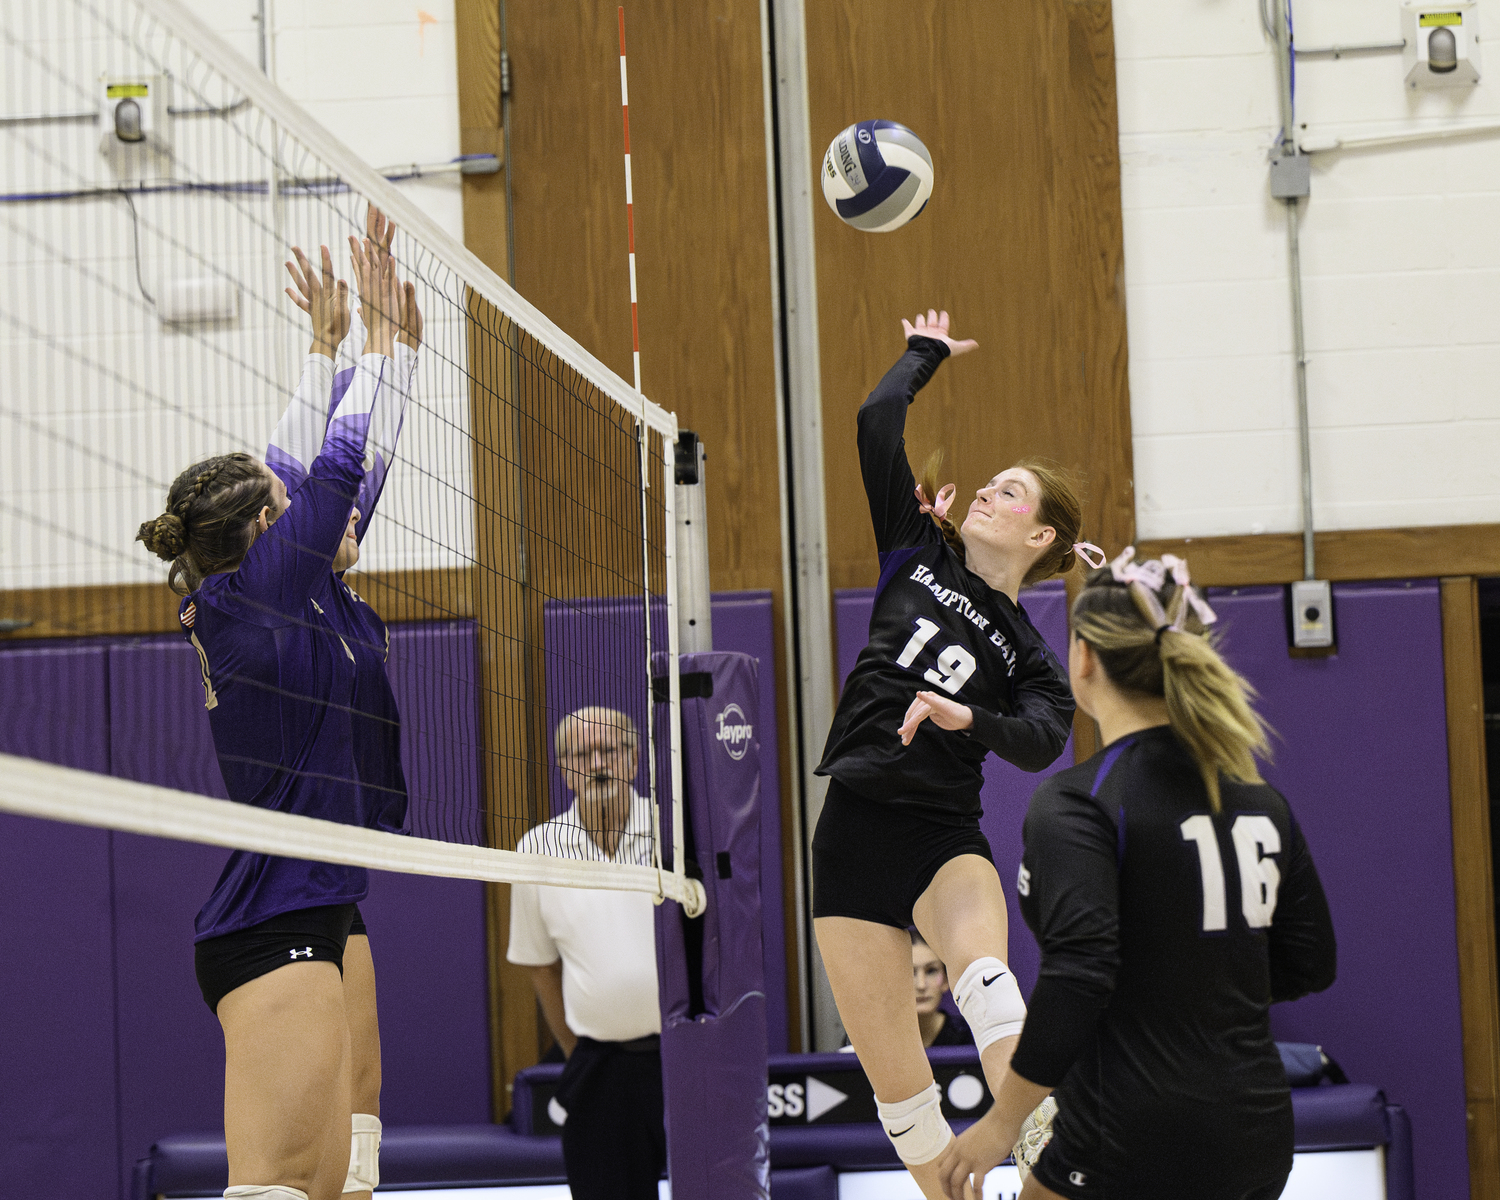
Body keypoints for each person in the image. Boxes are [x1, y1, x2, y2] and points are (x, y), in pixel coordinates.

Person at [135, 208, 421, 1200]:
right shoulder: (252, 600)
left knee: (345, 1185)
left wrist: (360, 348)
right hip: (273, 922)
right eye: (288, 508)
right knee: (281, 1191)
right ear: (270, 530)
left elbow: (334, 474)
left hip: (319, 903)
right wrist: (378, 344)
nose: (331, 519)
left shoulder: (296, 585)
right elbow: (334, 469)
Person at [941, 549, 1337, 1200]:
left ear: (1085, 659)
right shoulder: (1260, 801)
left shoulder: (1078, 802)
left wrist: (1000, 1123)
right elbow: (1310, 963)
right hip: (1255, 1130)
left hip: (1127, 1129)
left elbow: (1079, 973)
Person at [812, 310, 1094, 1200]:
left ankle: (1041, 1142)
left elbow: (1048, 737)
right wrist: (924, 352)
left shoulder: (1030, 655)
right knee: (906, 1107)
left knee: (987, 984)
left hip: (939, 833)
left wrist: (966, 718)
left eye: (1011, 494)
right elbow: (873, 422)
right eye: (989, 484)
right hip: (851, 831)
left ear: (1040, 537)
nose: (986, 494)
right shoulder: (914, 551)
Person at [508, 706, 666, 1200]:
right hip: (600, 1070)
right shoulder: (538, 847)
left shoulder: (678, 833)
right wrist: (581, 1047)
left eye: (609, 750)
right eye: (582, 754)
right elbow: (538, 964)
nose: (597, 763)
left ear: (634, 760)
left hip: (685, 1060)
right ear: (564, 771)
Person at [912, 931, 973, 1049]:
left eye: (931, 971)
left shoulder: (971, 1037)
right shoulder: (877, 1041)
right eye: (910, 972)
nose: (921, 985)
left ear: (946, 979)